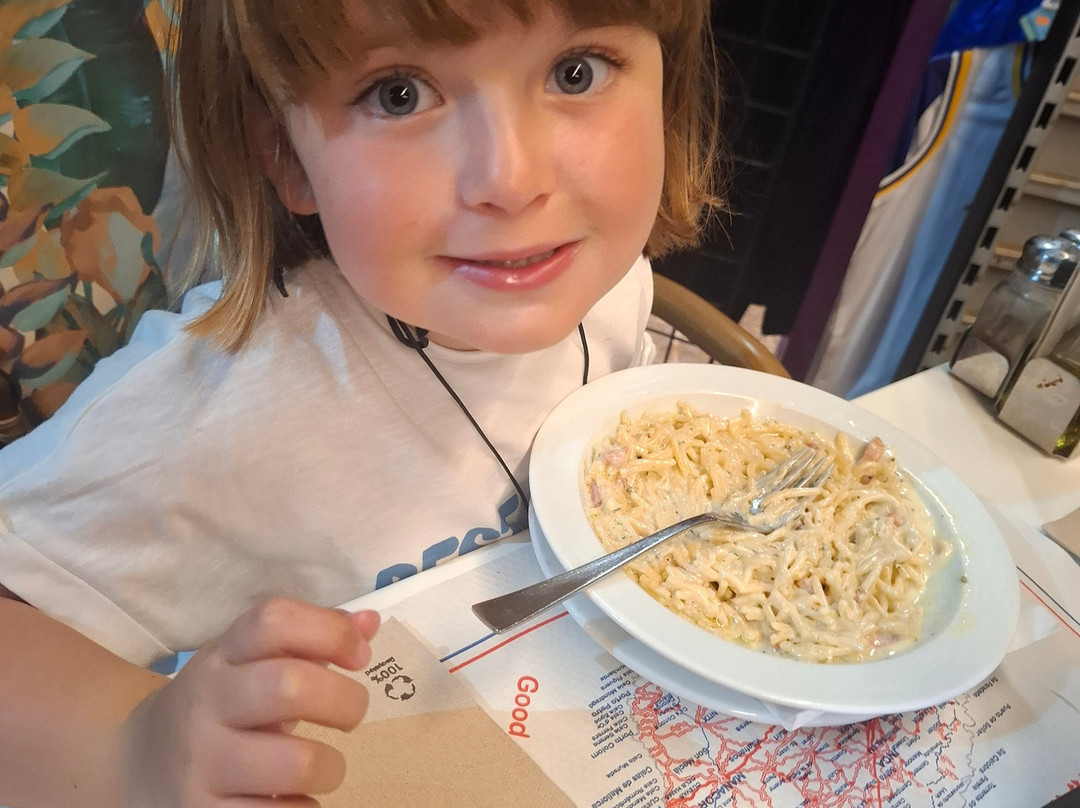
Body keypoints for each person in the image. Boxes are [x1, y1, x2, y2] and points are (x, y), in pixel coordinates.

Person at [0, 0, 725, 804]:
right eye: (399, 95)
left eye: (575, 73)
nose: (512, 181)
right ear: (283, 151)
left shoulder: (610, 290)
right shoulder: (213, 410)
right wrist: (133, 748)